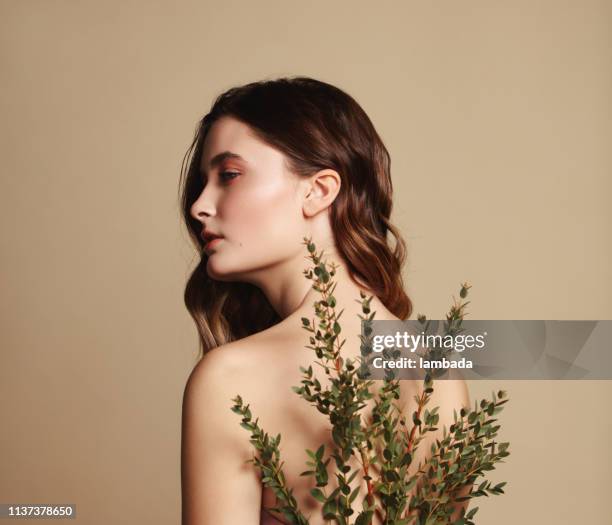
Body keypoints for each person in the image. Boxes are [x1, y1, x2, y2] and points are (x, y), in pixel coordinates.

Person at [179, 77, 470, 524]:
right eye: (204, 182)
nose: (200, 205)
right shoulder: (438, 371)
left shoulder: (231, 380)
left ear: (318, 190)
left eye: (229, 175)